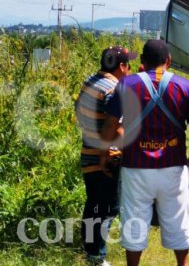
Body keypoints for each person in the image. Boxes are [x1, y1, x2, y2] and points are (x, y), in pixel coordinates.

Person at [101, 39, 189, 266]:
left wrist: (105, 152)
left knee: (134, 223)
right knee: (178, 221)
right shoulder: (184, 86)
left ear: (143, 61)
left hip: (136, 167)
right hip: (173, 166)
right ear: (168, 61)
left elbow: (111, 124)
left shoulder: (127, 85)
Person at [75, 45, 137, 266]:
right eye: (128, 64)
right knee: (107, 207)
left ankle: (90, 252)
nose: (130, 69)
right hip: (106, 157)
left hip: (88, 152)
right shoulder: (114, 89)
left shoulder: (89, 83)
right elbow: (116, 125)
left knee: (94, 203)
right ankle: (97, 256)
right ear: (121, 66)